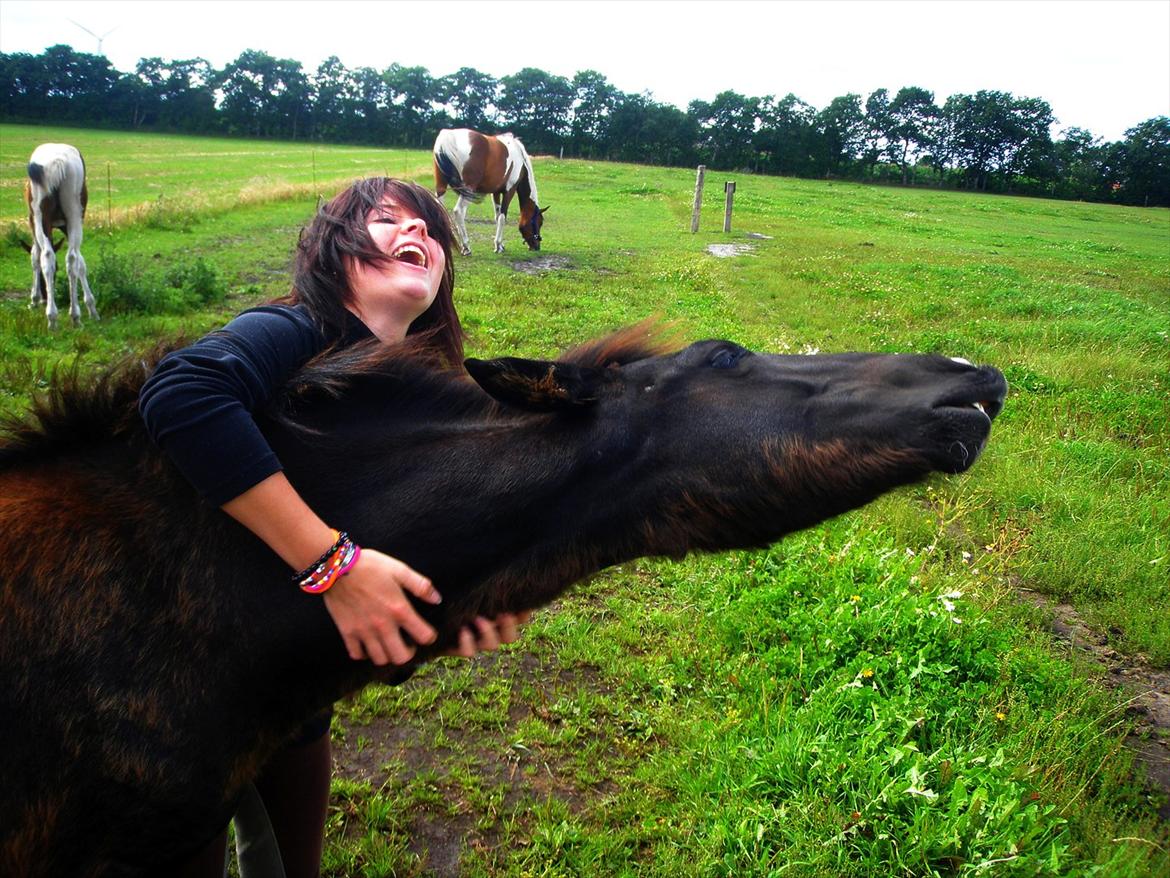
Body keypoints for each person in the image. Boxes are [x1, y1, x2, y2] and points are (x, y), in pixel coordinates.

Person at [139, 177, 527, 878]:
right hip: (182, 685)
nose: (419, 235)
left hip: (291, 691)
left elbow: (398, 532)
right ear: (333, 250)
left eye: (431, 232)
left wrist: (457, 608)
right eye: (388, 220)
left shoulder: (410, 395)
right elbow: (183, 393)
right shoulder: (298, 330)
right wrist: (334, 567)